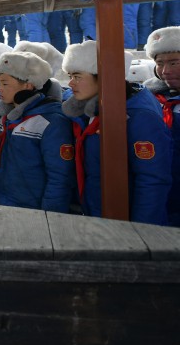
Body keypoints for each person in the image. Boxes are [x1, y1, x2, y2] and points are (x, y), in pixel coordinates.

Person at [62, 41, 171, 223]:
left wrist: (142, 231)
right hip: (96, 213)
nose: (70, 83)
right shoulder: (90, 107)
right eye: (70, 76)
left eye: (77, 76)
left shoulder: (140, 118)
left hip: (127, 222)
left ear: (103, 77)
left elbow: (152, 180)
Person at [0, 51, 73, 211]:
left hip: (33, 209)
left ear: (28, 85)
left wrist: (50, 215)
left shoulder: (51, 121)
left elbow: (60, 176)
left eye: (5, 84)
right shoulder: (5, 115)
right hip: (3, 201)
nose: (0, 89)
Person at [143, 27, 180, 225]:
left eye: (174, 62)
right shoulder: (146, 98)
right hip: (156, 194)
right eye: (159, 63)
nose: (165, 71)